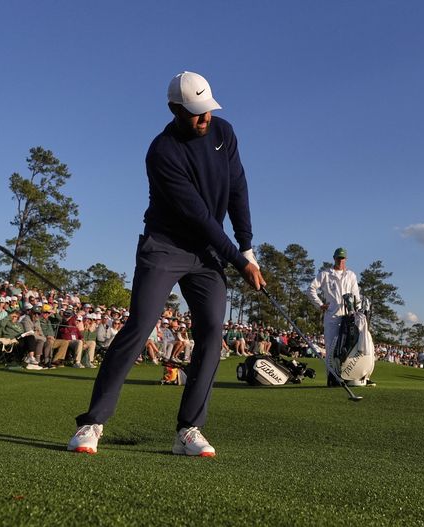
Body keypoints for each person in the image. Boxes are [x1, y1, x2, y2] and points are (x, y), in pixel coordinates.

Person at [68, 71, 265, 456]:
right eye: (195, 113)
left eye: (207, 110)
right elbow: (199, 217)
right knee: (140, 325)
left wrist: (248, 247)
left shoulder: (224, 132)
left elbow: (238, 186)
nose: (204, 119)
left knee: (211, 330)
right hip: (166, 245)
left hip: (207, 254)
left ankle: (188, 429)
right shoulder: (162, 151)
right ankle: (92, 423)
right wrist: (239, 263)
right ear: (174, 109)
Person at [307, 247, 364, 386]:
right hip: (332, 316)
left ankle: (345, 375)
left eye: (343, 258)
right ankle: (331, 378)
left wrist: (358, 310)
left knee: (347, 347)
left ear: (346, 259)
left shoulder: (351, 275)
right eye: (338, 258)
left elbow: (356, 295)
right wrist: (320, 304)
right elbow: (310, 289)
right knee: (331, 347)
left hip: (348, 315)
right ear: (334, 258)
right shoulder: (325, 274)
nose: (341, 261)